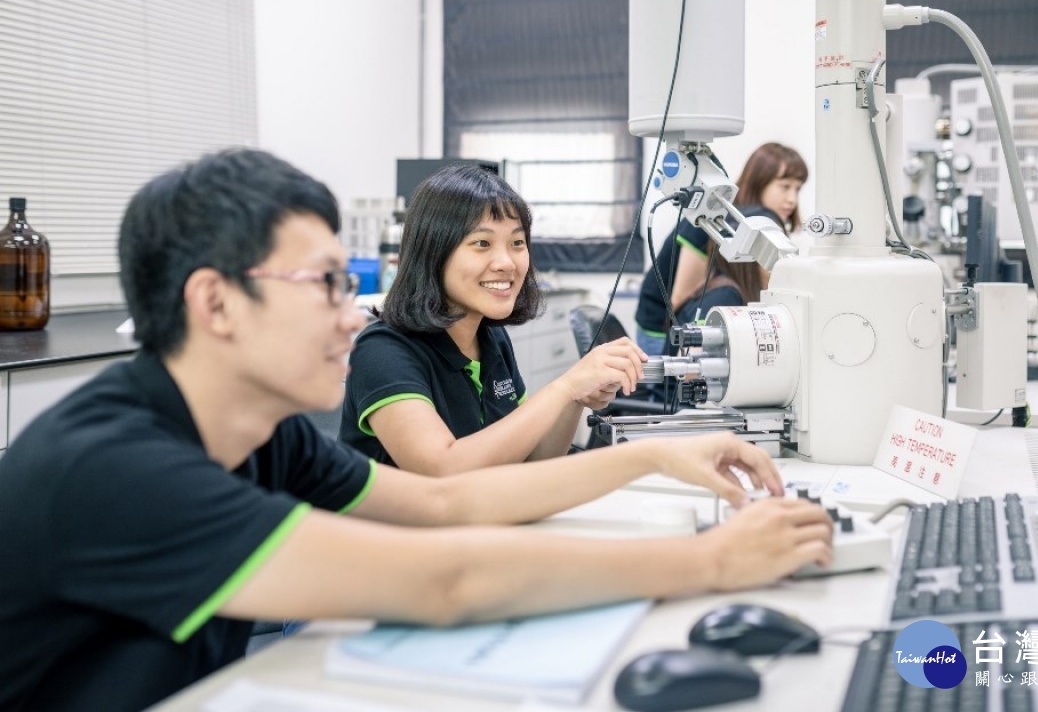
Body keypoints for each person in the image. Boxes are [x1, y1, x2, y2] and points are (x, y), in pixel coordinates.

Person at [0, 149, 833, 712]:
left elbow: (442, 509)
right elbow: (448, 575)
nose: (349, 311)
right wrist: (708, 563)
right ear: (214, 303)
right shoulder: (115, 464)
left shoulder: (263, 436)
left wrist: (656, 453)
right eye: (326, 283)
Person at [340, 164, 647, 474]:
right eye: (482, 244)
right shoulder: (383, 351)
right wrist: (564, 388)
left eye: (517, 243)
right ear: (433, 251)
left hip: (481, 520)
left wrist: (575, 399)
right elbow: (443, 471)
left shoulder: (490, 339)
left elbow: (533, 462)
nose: (506, 263)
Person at [633, 142, 808, 356]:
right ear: (758, 181)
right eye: (785, 186)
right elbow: (679, 300)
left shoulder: (754, 225)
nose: (792, 199)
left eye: (797, 189)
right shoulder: (709, 218)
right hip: (660, 326)